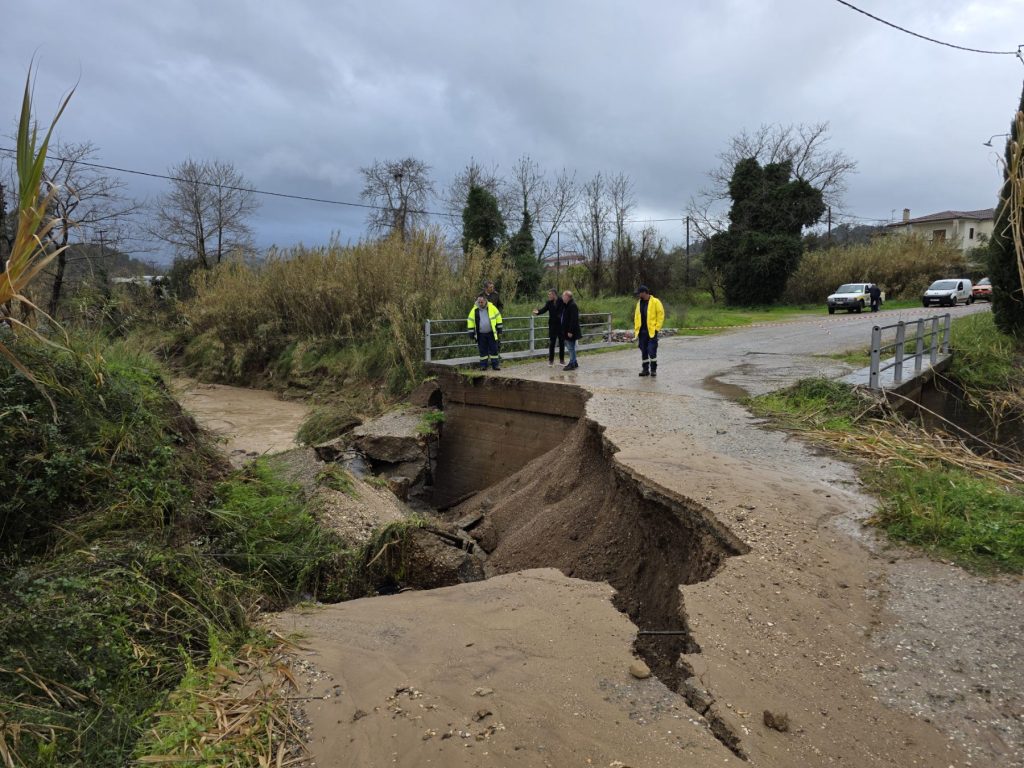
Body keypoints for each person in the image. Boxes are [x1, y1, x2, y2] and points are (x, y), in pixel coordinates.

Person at [467, 293, 503, 371]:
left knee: (494, 350)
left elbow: (498, 317)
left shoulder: (492, 307)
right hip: (481, 334)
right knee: (483, 351)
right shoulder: (474, 310)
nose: (480, 303)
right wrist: (471, 333)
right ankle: (483, 366)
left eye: (482, 302)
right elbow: (470, 321)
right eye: (479, 302)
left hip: (491, 333)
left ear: (485, 301)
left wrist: (500, 329)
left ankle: (495, 365)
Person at [634, 285, 664, 377]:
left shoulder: (655, 302)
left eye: (639, 293)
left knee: (651, 350)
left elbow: (661, 315)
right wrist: (636, 329)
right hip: (642, 332)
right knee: (644, 351)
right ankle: (645, 369)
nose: (639, 295)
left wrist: (656, 328)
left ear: (644, 292)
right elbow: (636, 317)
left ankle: (653, 370)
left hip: (651, 332)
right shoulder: (639, 303)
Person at [532, 289, 564, 366]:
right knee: (552, 343)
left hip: (561, 325)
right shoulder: (549, 303)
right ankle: (551, 360)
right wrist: (538, 312)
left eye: (550, 295)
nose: (548, 296)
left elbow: (563, 311)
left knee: (561, 343)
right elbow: (544, 309)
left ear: (554, 294)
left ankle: (562, 360)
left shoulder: (561, 301)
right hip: (552, 325)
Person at [560, 290, 580, 371]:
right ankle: (574, 362)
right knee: (571, 347)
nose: (562, 298)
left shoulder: (572, 305)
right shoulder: (567, 305)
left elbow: (573, 319)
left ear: (568, 297)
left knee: (571, 348)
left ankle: (572, 363)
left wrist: (570, 331)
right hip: (567, 330)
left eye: (563, 296)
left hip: (570, 331)